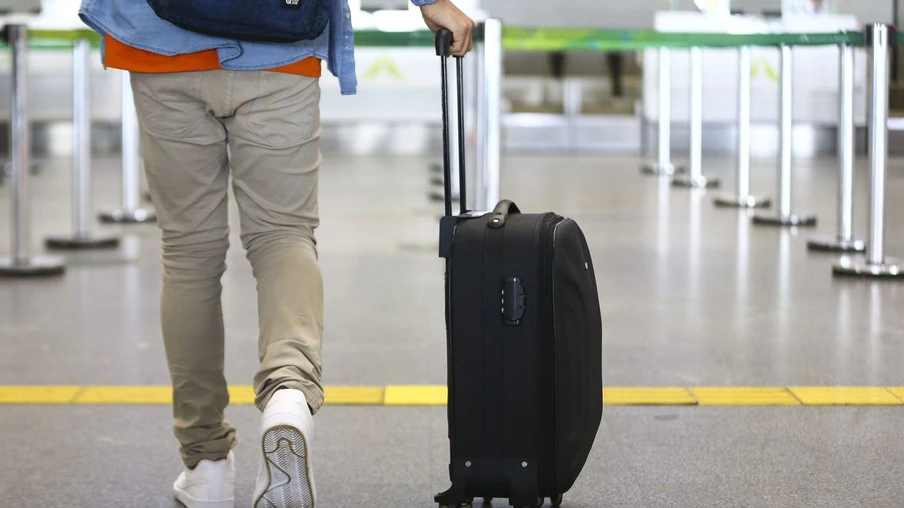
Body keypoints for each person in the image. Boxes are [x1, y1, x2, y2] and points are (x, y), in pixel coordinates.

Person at [78, 0, 474, 506]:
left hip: (162, 43)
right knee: (283, 236)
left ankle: (206, 465)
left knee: (189, 254)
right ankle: (288, 394)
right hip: (279, 45)